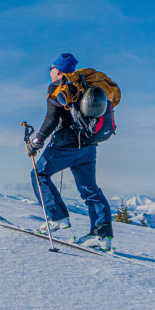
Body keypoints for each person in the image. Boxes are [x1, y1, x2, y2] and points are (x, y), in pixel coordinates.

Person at [25, 53, 113, 250]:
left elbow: (52, 118)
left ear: (57, 70)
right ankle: (102, 235)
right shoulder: (87, 85)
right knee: (90, 189)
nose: (50, 71)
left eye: (51, 68)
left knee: (39, 174)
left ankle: (57, 217)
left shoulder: (56, 88)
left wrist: (37, 141)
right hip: (89, 146)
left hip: (66, 145)